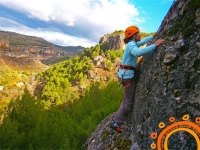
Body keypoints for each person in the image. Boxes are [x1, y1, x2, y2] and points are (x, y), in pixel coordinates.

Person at [112, 26, 164, 133]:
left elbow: (142, 42)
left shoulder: (133, 43)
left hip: (124, 73)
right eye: (138, 33)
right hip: (126, 76)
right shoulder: (132, 46)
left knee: (126, 98)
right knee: (128, 103)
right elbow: (138, 53)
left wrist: (152, 36)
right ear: (134, 35)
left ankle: (117, 118)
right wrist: (155, 45)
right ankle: (117, 122)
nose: (140, 35)